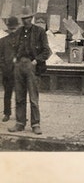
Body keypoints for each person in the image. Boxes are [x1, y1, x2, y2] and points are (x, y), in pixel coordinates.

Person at [7, 7, 51, 135]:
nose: (25, 20)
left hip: (32, 66)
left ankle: (35, 124)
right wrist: (15, 59)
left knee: (33, 97)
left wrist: (36, 61)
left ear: (31, 18)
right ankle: (20, 123)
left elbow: (46, 51)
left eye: (27, 18)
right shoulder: (18, 32)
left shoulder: (40, 32)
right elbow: (12, 47)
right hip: (19, 66)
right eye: (23, 18)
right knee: (19, 97)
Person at [0, 16, 20, 122]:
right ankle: (7, 113)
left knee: (20, 95)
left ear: (18, 27)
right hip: (7, 72)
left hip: (19, 72)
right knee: (7, 94)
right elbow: (0, 57)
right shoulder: (2, 41)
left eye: (14, 28)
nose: (13, 31)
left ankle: (20, 115)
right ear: (8, 28)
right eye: (11, 29)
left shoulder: (22, 41)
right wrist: (4, 67)